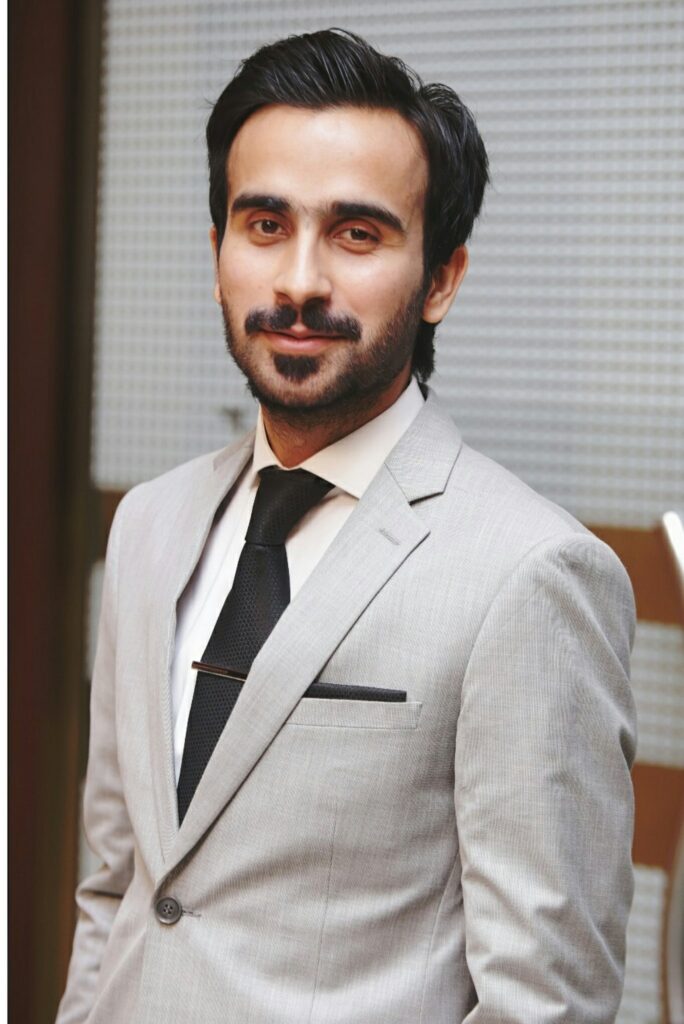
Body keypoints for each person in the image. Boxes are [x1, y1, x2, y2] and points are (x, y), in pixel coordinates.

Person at [57, 28, 636, 1024]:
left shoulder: (532, 572)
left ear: (441, 277)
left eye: (357, 234)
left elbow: (546, 1002)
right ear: (217, 253)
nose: (298, 281)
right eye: (265, 224)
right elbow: (117, 892)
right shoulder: (149, 526)